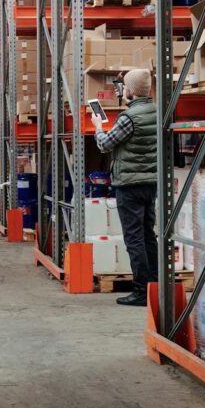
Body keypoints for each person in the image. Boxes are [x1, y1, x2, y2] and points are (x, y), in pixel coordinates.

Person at [92, 68, 157, 307]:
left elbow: (105, 145)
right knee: (148, 234)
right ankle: (155, 285)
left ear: (130, 90)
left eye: (125, 86)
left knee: (134, 238)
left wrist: (98, 126)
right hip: (150, 183)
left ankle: (141, 291)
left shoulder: (129, 118)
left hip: (130, 184)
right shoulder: (157, 111)